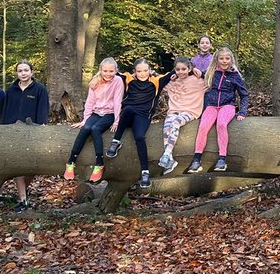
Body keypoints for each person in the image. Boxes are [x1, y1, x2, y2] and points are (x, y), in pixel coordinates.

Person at [105, 58, 175, 189]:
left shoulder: (157, 81)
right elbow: (109, 72)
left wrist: (193, 68)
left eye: (145, 70)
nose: (142, 74)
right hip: (127, 115)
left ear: (149, 70)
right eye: (139, 71)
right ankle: (116, 141)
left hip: (143, 116)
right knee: (128, 109)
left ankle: (145, 172)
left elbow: (175, 71)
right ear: (134, 72)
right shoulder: (128, 79)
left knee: (139, 137)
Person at [186, 48, 249, 173]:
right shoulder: (211, 72)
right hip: (212, 105)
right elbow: (193, 72)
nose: (224, 61)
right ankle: (196, 160)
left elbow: (244, 95)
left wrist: (242, 111)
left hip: (228, 106)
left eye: (227, 58)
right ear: (217, 60)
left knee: (221, 124)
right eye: (221, 58)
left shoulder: (235, 76)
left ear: (231, 60)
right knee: (203, 126)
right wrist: (174, 75)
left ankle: (222, 159)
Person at [63, 58, 123, 183]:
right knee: (86, 128)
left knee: (95, 129)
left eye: (111, 71)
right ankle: (70, 162)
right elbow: (90, 102)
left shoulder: (118, 81)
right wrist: (85, 119)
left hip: (109, 114)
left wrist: (117, 120)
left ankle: (99, 164)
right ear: (100, 70)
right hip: (96, 113)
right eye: (105, 71)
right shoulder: (95, 82)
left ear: (116, 71)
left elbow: (117, 102)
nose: (108, 74)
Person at [1, 61, 50, 210]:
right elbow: (5, 110)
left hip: (32, 132)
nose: (23, 73)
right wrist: (3, 128)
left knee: (32, 166)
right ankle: (23, 200)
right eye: (20, 71)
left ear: (32, 72)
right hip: (13, 132)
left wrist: (41, 128)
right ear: (17, 73)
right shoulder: (11, 90)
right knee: (18, 165)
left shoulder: (40, 89)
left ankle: (24, 191)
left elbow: (43, 111)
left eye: (26, 70)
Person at [158, 57, 206, 175]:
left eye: (184, 69)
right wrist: (171, 74)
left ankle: (166, 154)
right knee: (166, 127)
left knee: (175, 124)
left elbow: (212, 80)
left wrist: (199, 72)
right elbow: (160, 82)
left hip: (190, 111)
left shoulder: (197, 80)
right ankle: (170, 160)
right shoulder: (172, 81)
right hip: (174, 110)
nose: (181, 72)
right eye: (178, 69)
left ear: (189, 68)